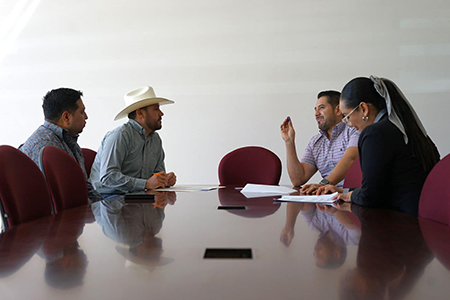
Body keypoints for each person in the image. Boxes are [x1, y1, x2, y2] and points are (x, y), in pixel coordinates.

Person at [324, 76, 440, 216]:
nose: (350, 125)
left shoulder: (375, 134)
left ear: (363, 108)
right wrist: (345, 192)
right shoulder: (407, 128)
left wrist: (349, 196)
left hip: (402, 224)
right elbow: (383, 188)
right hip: (421, 218)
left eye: (347, 116)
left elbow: (371, 197)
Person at [90, 86, 177, 197]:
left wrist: (164, 180)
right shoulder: (119, 136)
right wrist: (146, 184)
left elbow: (156, 177)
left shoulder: (155, 139)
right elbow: (108, 177)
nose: (161, 113)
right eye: (156, 109)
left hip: (137, 197)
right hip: (108, 200)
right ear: (140, 113)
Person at [20, 88, 103, 203]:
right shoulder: (44, 147)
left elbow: (84, 189)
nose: (86, 116)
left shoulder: (67, 141)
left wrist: (103, 207)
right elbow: (59, 199)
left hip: (75, 213)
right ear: (66, 117)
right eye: (82, 112)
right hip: (56, 218)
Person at [280, 90, 360, 194]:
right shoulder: (315, 142)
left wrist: (324, 184)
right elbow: (298, 179)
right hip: (326, 200)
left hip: (353, 198)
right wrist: (289, 142)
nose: (316, 114)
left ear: (338, 110)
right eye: (315, 109)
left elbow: (350, 159)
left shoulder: (355, 130)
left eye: (321, 108)